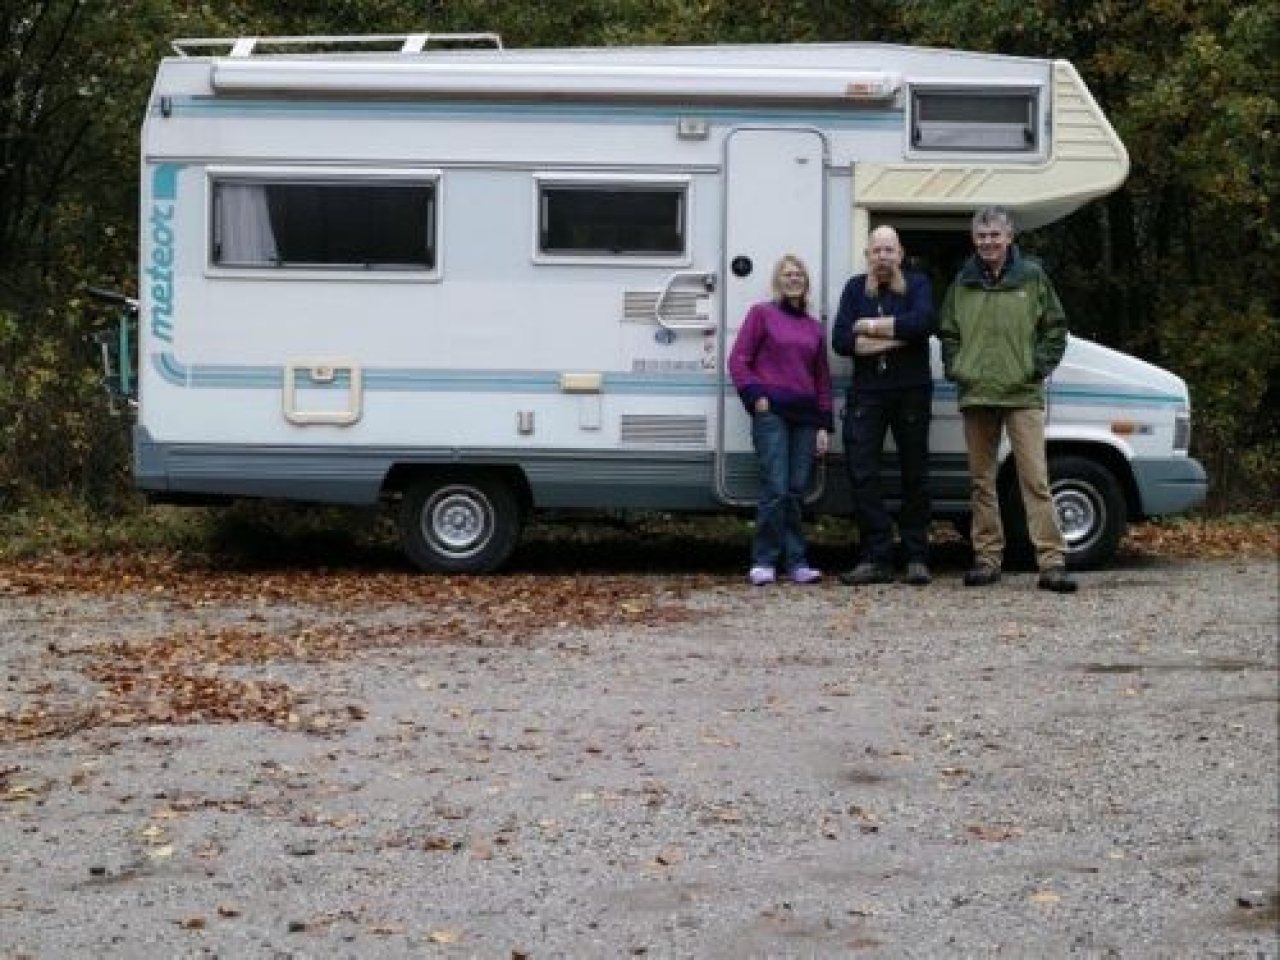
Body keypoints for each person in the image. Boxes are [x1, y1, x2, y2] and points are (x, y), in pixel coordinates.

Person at [938, 206, 1078, 593]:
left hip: (1022, 394)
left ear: (1009, 237)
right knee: (982, 482)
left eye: (994, 235)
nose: (988, 242)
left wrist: (1038, 367)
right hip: (977, 393)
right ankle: (987, 559)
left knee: (1035, 480)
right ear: (974, 239)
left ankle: (1051, 562)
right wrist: (957, 367)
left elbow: (1055, 327)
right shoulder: (962, 281)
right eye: (981, 236)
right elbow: (948, 331)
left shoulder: (1032, 277)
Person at [830, 225, 936, 587]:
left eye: (889, 250)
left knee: (915, 474)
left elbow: (923, 323)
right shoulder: (854, 288)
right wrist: (899, 336)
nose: (883, 257)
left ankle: (916, 557)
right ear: (868, 255)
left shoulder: (918, 284)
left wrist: (870, 327)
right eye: (876, 250)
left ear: (901, 254)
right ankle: (876, 557)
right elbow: (842, 340)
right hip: (868, 394)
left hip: (911, 392)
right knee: (862, 472)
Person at [728, 254, 833, 586]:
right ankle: (764, 561)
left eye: (799, 274)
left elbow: (822, 379)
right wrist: (755, 395)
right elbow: (738, 360)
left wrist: (823, 425)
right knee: (775, 487)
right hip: (772, 412)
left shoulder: (814, 328)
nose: (793, 278)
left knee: (795, 490)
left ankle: (797, 562)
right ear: (778, 281)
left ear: (806, 282)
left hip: (805, 417)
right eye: (787, 274)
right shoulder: (762, 314)